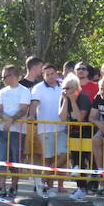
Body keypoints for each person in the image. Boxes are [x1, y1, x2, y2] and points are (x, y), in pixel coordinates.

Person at [29, 64, 66, 197]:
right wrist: (31, 115)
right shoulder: (38, 88)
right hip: (45, 128)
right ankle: (49, 188)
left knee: (64, 155)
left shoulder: (63, 85)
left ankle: (42, 180)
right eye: (47, 74)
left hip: (62, 127)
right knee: (49, 158)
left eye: (52, 73)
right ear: (43, 75)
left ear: (56, 73)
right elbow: (34, 104)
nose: (50, 76)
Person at [0, 65, 31, 198]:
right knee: (1, 157)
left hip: (18, 130)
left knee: (16, 158)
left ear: (13, 76)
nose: (3, 79)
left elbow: (23, 110)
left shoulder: (24, 91)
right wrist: (6, 119)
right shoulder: (1, 92)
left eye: (5, 76)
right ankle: (2, 187)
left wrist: (11, 121)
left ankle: (14, 186)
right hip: (2, 129)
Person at [58, 73, 92, 199]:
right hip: (72, 134)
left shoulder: (83, 98)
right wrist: (66, 100)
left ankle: (86, 187)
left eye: (68, 88)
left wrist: (73, 101)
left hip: (86, 133)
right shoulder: (64, 98)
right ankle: (80, 188)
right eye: (64, 88)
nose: (65, 91)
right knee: (75, 161)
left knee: (83, 161)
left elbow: (80, 118)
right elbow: (62, 117)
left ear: (76, 88)